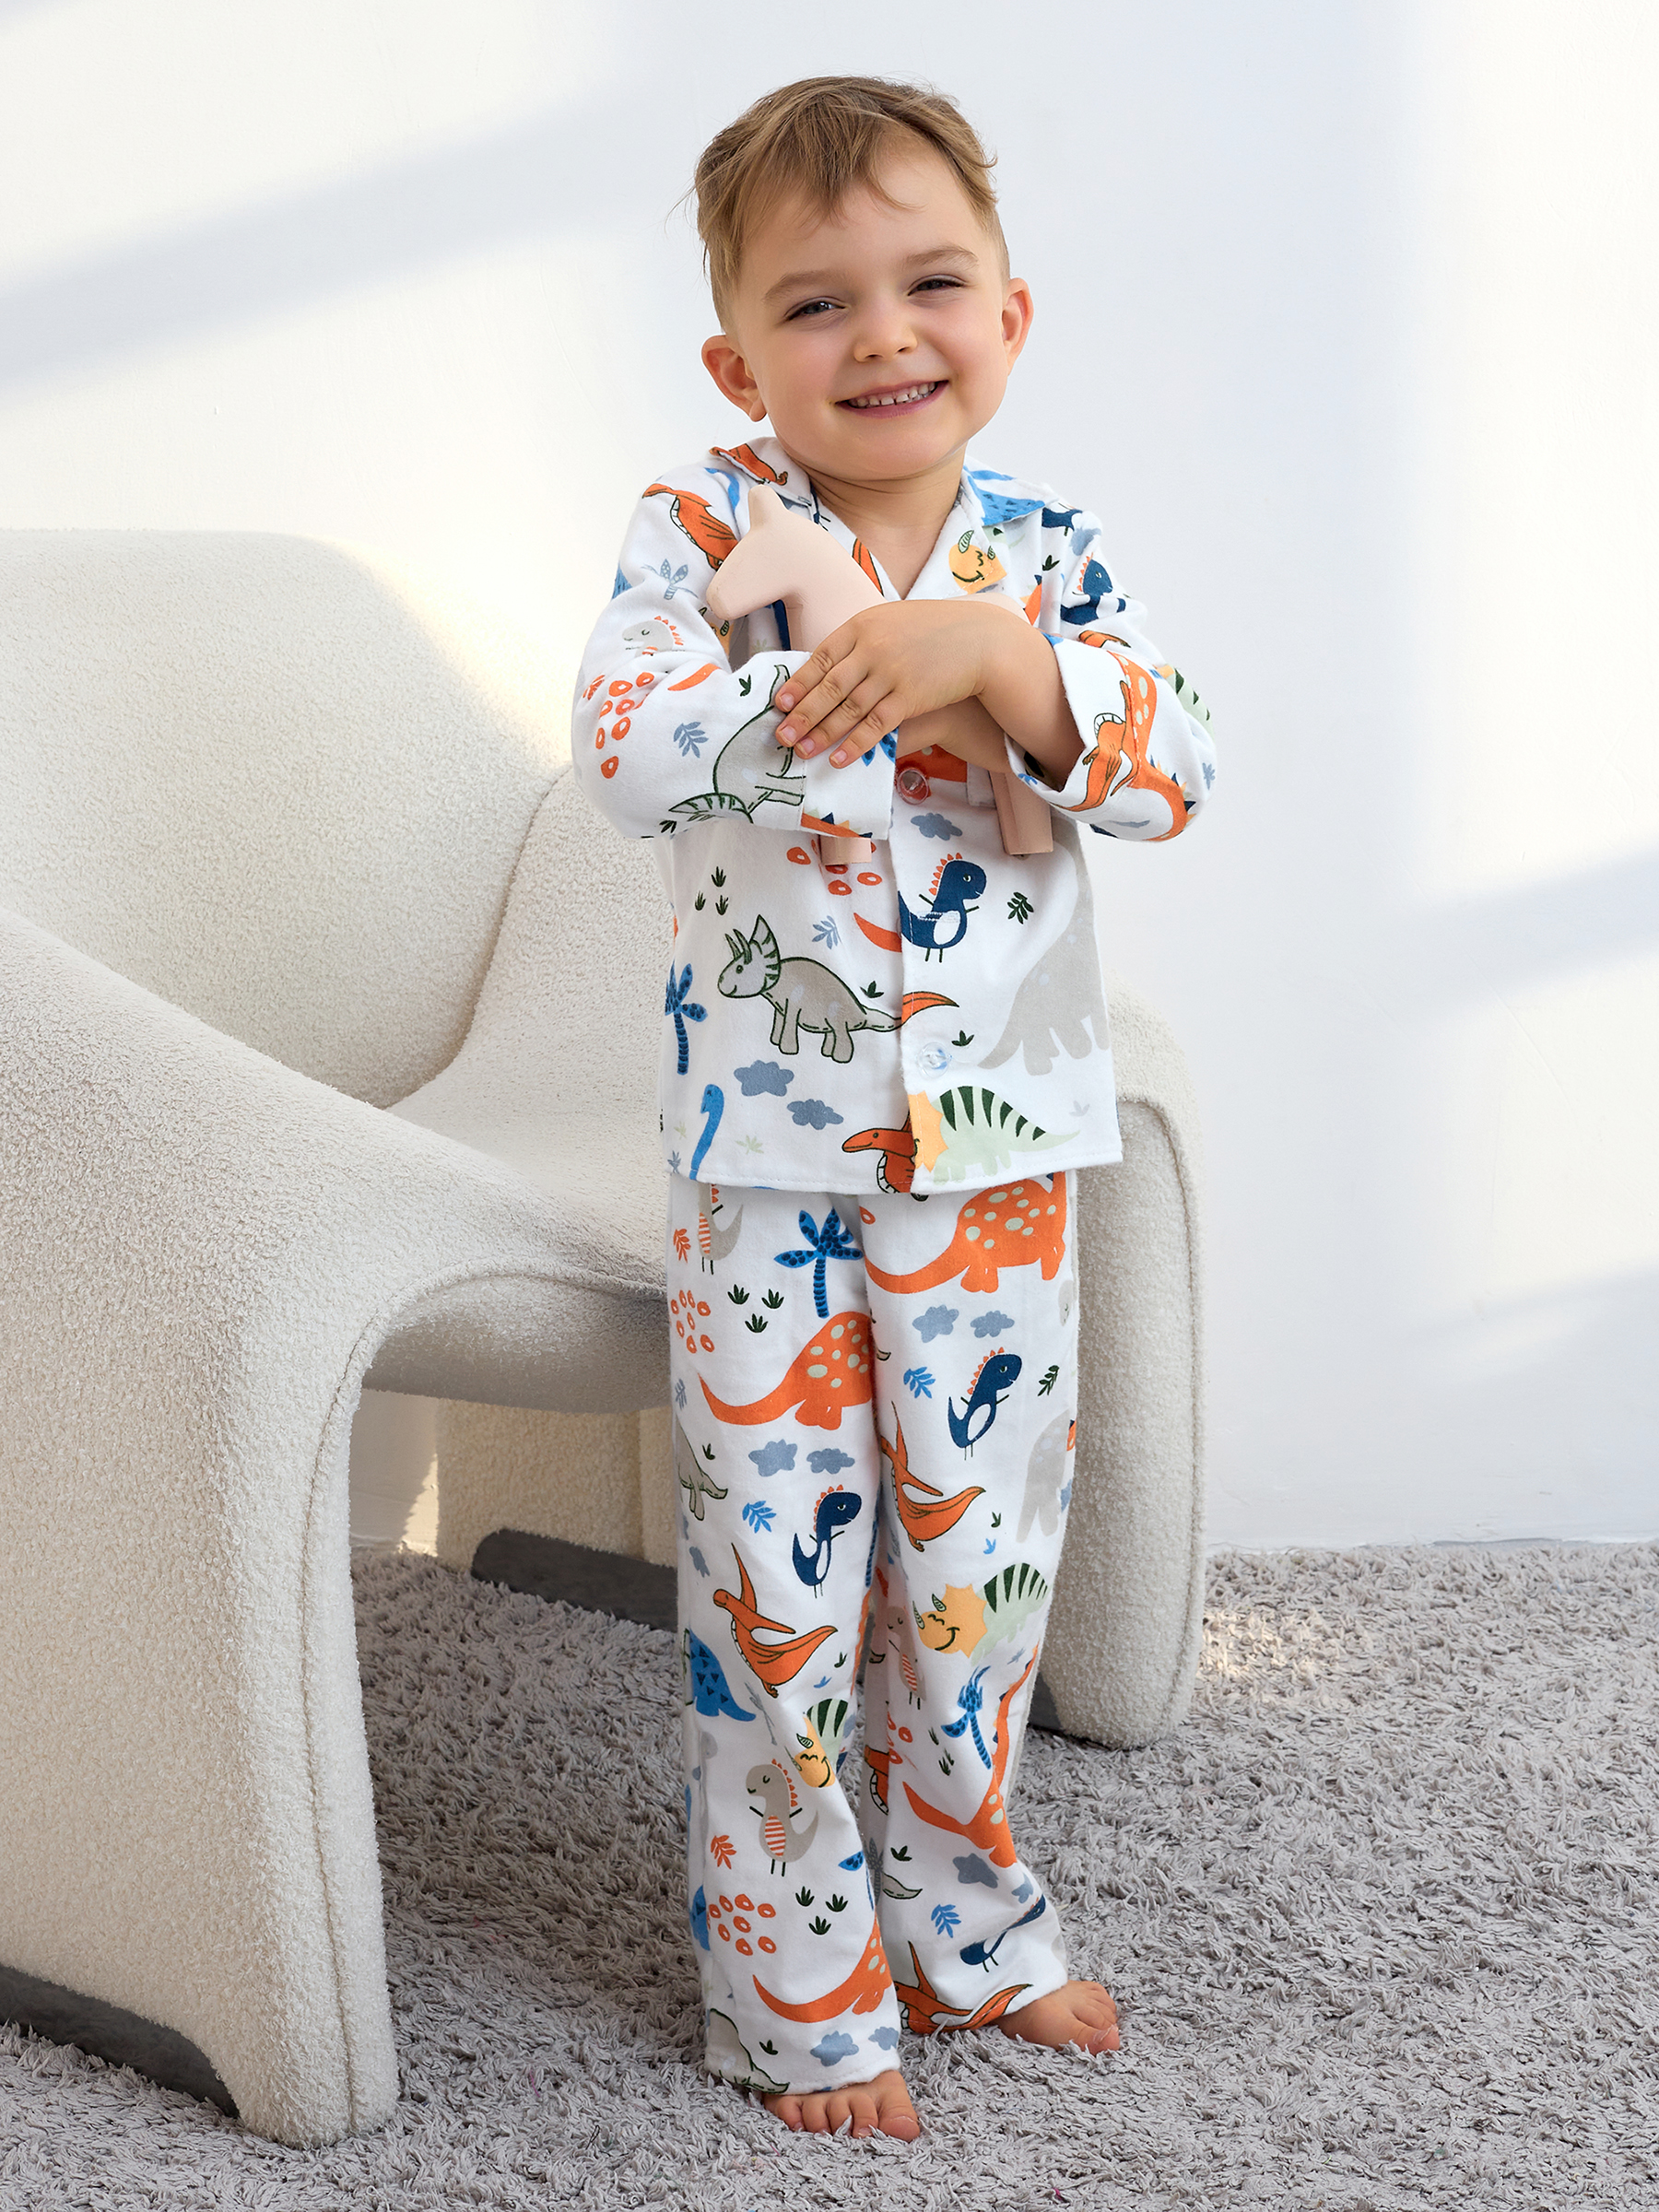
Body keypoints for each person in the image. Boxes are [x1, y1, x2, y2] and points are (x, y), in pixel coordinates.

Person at [572, 75, 1215, 2142]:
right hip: (762, 1169)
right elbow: (625, 748)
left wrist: (1000, 664)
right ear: (738, 361)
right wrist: (842, 677)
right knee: (775, 1590)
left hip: (1001, 1157)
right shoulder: (699, 530)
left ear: (1008, 318)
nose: (882, 336)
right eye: (816, 302)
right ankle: (799, 1992)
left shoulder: (1051, 552)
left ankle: (971, 1929)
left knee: (975, 1571)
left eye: (932, 284)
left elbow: (1174, 765)